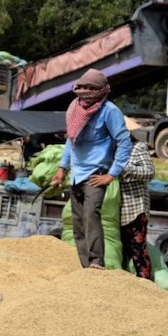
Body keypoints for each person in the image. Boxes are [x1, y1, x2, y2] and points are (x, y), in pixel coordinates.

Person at [50, 68, 132, 270]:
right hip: (77, 174)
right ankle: (86, 266)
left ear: (101, 91)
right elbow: (72, 140)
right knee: (77, 223)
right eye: (83, 87)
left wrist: (112, 174)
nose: (85, 91)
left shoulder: (109, 111)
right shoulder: (75, 109)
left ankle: (97, 261)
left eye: (90, 88)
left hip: (97, 174)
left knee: (91, 215)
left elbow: (124, 142)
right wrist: (62, 168)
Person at [120, 135, 155, 280]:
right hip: (117, 210)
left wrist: (123, 168)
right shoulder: (109, 148)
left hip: (134, 209)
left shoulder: (137, 147)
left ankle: (145, 285)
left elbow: (149, 172)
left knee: (138, 252)